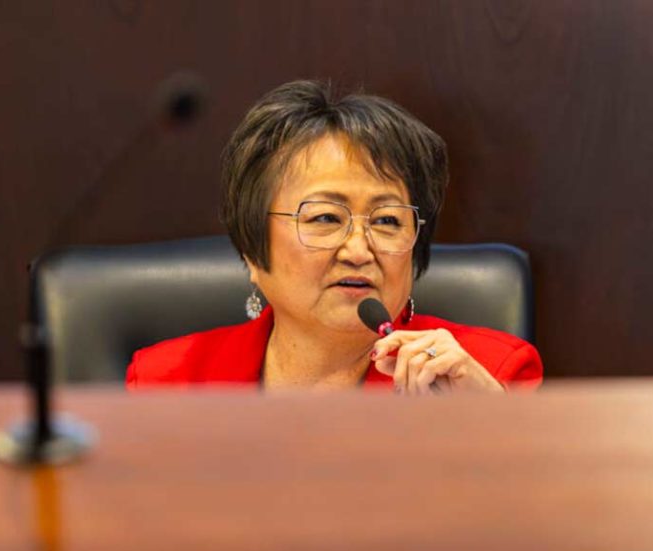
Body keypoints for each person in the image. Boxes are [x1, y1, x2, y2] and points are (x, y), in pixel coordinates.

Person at [126, 80, 542, 393]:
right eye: (325, 217)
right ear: (252, 248)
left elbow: (538, 506)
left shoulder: (488, 373)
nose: (360, 250)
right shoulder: (168, 380)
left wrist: (487, 428)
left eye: (387, 221)